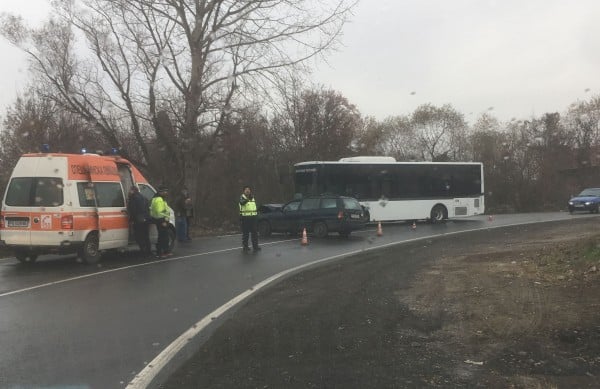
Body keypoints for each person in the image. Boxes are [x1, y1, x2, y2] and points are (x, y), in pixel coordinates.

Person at [127, 186, 152, 257]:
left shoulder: (133, 198)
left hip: (138, 220)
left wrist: (131, 220)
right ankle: (148, 251)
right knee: (146, 236)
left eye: (130, 190)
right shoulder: (144, 197)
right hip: (146, 219)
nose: (129, 191)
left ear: (133, 190)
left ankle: (143, 250)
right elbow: (147, 209)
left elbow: (133, 211)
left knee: (138, 236)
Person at [150, 186, 172, 258]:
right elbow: (159, 212)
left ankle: (165, 251)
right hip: (161, 220)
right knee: (162, 237)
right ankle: (160, 252)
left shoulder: (160, 198)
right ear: (161, 192)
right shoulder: (159, 199)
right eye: (165, 191)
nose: (166, 192)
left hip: (161, 220)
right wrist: (163, 220)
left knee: (164, 236)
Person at [239, 185, 260, 252]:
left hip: (253, 218)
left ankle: (255, 247)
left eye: (248, 189)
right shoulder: (242, 197)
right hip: (245, 218)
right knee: (246, 233)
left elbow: (254, 207)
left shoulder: (253, 198)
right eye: (246, 189)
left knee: (254, 233)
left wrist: (256, 216)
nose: (247, 190)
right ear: (244, 191)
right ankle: (245, 247)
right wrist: (247, 199)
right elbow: (242, 203)